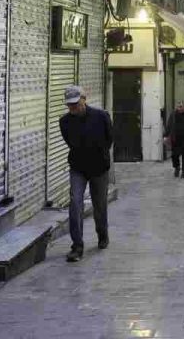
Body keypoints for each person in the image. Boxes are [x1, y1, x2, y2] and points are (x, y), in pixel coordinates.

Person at [59, 86, 112, 263]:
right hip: (78, 167)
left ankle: (102, 234)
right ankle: (77, 246)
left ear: (84, 99)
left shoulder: (101, 116)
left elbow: (109, 139)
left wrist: (100, 154)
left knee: (100, 204)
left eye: (76, 103)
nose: (73, 108)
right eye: (70, 105)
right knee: (75, 202)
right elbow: (70, 142)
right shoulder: (65, 122)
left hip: (99, 167)